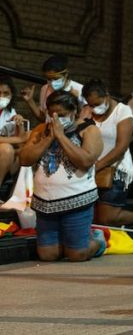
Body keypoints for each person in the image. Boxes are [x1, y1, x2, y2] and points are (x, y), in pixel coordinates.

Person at [18, 91, 105, 261]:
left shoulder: (89, 130)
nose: (56, 119)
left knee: (77, 254)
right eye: (52, 115)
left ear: (74, 111)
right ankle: (73, 241)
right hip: (45, 204)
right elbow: (24, 159)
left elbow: (85, 161)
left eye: (62, 115)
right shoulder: (42, 130)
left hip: (77, 201)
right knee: (47, 255)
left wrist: (60, 136)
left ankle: (99, 241)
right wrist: (49, 138)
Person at [83, 80, 133, 229]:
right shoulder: (87, 111)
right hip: (90, 170)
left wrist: (97, 166)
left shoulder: (123, 111)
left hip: (115, 170)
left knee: (107, 218)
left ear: (106, 95)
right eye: (91, 105)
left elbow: (121, 147)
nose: (94, 108)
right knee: (93, 217)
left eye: (97, 103)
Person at [22, 54, 85, 123]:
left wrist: (77, 101)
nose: (52, 82)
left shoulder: (80, 90)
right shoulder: (45, 89)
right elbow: (44, 119)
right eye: (49, 79)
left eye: (56, 78)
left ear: (66, 74)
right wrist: (30, 101)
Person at [0, 77, 30, 190]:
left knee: (26, 152)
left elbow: (21, 143)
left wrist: (19, 123)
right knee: (6, 149)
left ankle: (14, 194)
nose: (2, 96)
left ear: (11, 95)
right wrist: (20, 139)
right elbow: (20, 139)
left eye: (6, 93)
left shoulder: (10, 111)